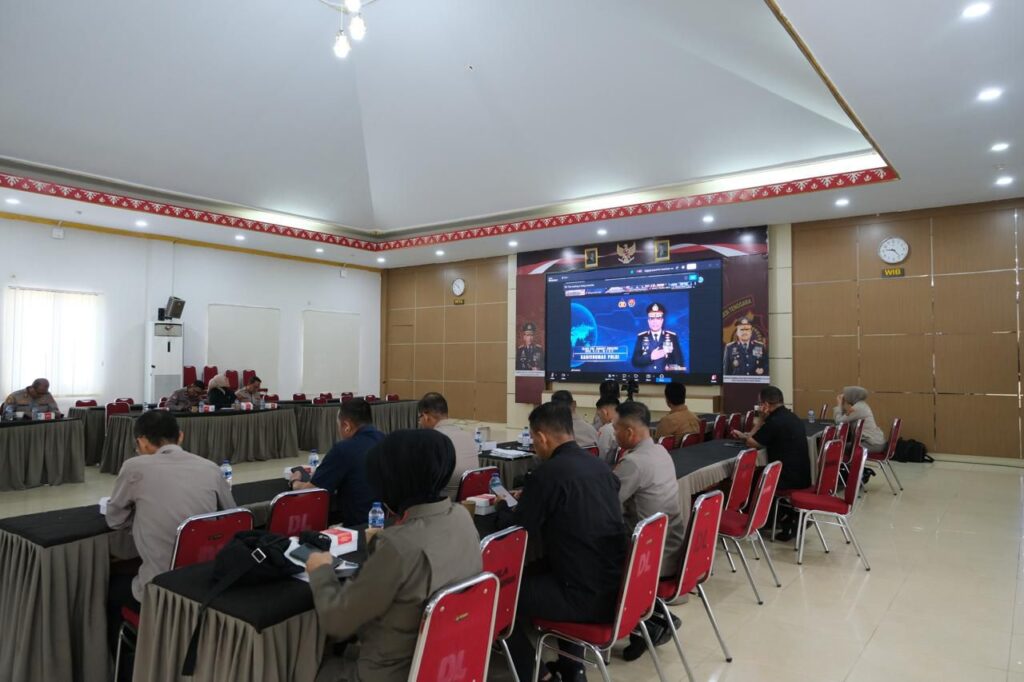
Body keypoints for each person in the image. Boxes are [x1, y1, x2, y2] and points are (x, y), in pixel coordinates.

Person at [304, 429, 482, 682]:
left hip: (391, 672)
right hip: (448, 661)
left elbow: (337, 621)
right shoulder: (461, 517)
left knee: (300, 665)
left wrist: (321, 570)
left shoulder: (398, 546)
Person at [503, 402, 627, 682]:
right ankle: (572, 668)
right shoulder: (601, 468)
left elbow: (518, 530)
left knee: (496, 595)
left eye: (534, 439)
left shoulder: (547, 474)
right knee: (541, 569)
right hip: (614, 585)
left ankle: (537, 675)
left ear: (541, 437)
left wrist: (502, 508)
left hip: (581, 595)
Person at [104, 411, 234, 645]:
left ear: (142, 441)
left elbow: (114, 520)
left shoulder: (134, 466)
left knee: (110, 589)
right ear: (180, 436)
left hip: (161, 590)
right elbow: (233, 516)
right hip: (207, 581)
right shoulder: (209, 467)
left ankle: (130, 661)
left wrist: (142, 520)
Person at [611, 400, 687, 661]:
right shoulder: (661, 451)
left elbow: (609, 504)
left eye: (616, 428)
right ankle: (654, 615)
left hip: (650, 555)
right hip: (670, 544)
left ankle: (643, 623)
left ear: (629, 432)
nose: (614, 433)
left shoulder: (634, 463)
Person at [731, 386, 811, 541]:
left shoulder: (774, 421)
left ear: (766, 405)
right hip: (801, 474)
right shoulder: (791, 416)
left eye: (760, 404)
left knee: (752, 478)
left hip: (786, 478)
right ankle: (774, 518)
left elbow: (752, 443)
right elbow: (758, 438)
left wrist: (760, 419)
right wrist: (746, 435)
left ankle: (752, 523)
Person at [290, 398, 385, 526]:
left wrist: (295, 482)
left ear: (346, 426)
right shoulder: (385, 440)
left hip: (358, 526)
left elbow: (312, 492)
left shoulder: (343, 449)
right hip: (386, 521)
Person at [416, 392, 478, 499]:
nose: (419, 422)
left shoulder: (430, 439)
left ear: (426, 417)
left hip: (443, 500)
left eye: (419, 418)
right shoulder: (468, 435)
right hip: (470, 499)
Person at [632, 303, 685, 372]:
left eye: (658, 318)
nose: (655, 322)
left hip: (667, 378)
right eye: (652, 319)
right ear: (648, 321)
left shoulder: (672, 337)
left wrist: (668, 368)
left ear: (662, 320)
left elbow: (681, 366)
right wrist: (651, 357)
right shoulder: (641, 337)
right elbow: (635, 362)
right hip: (646, 377)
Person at [833, 386, 886, 452]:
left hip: (871, 444)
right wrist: (842, 406)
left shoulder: (857, 408)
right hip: (875, 442)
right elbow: (845, 417)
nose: (844, 397)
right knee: (843, 446)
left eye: (846, 395)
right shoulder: (861, 405)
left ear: (852, 396)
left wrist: (839, 405)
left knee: (837, 448)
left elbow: (839, 421)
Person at [595, 396, 620, 465]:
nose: (600, 419)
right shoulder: (624, 426)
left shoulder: (606, 429)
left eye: (599, 415)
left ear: (604, 412)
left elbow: (601, 456)